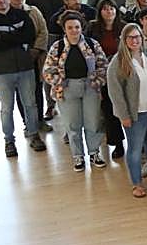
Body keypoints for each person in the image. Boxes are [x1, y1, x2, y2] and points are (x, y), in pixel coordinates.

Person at [0, 0, 45, 157]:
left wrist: (4, 36)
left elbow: (29, 36)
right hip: (2, 71)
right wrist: (15, 37)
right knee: (7, 107)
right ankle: (9, 140)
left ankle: (34, 135)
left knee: (30, 104)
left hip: (25, 67)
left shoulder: (23, 15)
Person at [106, 22, 147, 198]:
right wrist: (124, 115)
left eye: (137, 36)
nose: (135, 40)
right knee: (135, 148)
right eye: (130, 37)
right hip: (135, 114)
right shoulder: (117, 63)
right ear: (124, 40)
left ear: (142, 38)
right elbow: (115, 93)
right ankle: (136, 183)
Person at [43, 11, 108, 171]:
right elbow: (47, 71)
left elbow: (103, 65)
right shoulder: (57, 47)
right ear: (64, 29)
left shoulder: (92, 44)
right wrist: (59, 82)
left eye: (77, 27)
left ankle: (94, 152)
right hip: (67, 89)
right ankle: (78, 156)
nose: (74, 31)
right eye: (70, 27)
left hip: (90, 87)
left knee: (93, 121)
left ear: (82, 28)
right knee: (72, 124)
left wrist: (98, 81)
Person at [7, 0, 51, 133]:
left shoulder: (33, 11)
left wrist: (36, 50)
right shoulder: (6, 14)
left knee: (37, 89)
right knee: (21, 92)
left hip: (35, 57)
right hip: (17, 60)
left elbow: (43, 31)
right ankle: (28, 123)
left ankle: (40, 120)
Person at [89, 0, 126, 158]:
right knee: (110, 110)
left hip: (124, 72)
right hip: (102, 74)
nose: (109, 12)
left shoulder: (124, 27)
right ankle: (117, 143)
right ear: (100, 11)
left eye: (111, 8)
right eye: (105, 9)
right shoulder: (92, 28)